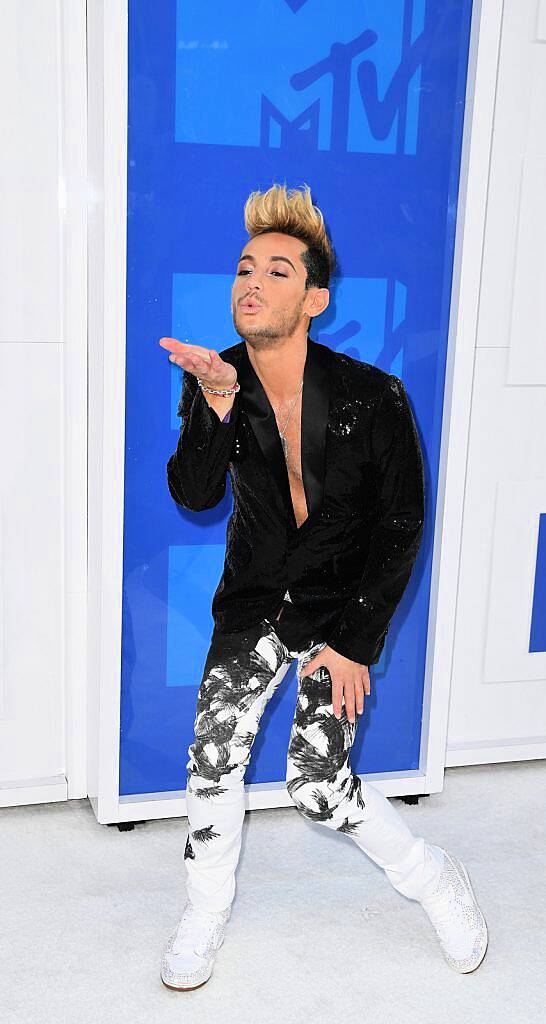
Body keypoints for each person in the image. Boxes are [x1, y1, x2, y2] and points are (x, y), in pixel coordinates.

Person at [159, 183, 488, 990]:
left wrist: (353, 641)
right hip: (253, 605)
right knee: (211, 763)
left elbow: (400, 526)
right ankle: (204, 913)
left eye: (277, 272)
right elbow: (196, 495)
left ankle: (433, 876)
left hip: (340, 609)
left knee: (317, 788)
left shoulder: (375, 397)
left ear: (314, 299)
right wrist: (214, 406)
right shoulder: (219, 376)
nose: (252, 284)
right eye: (244, 268)